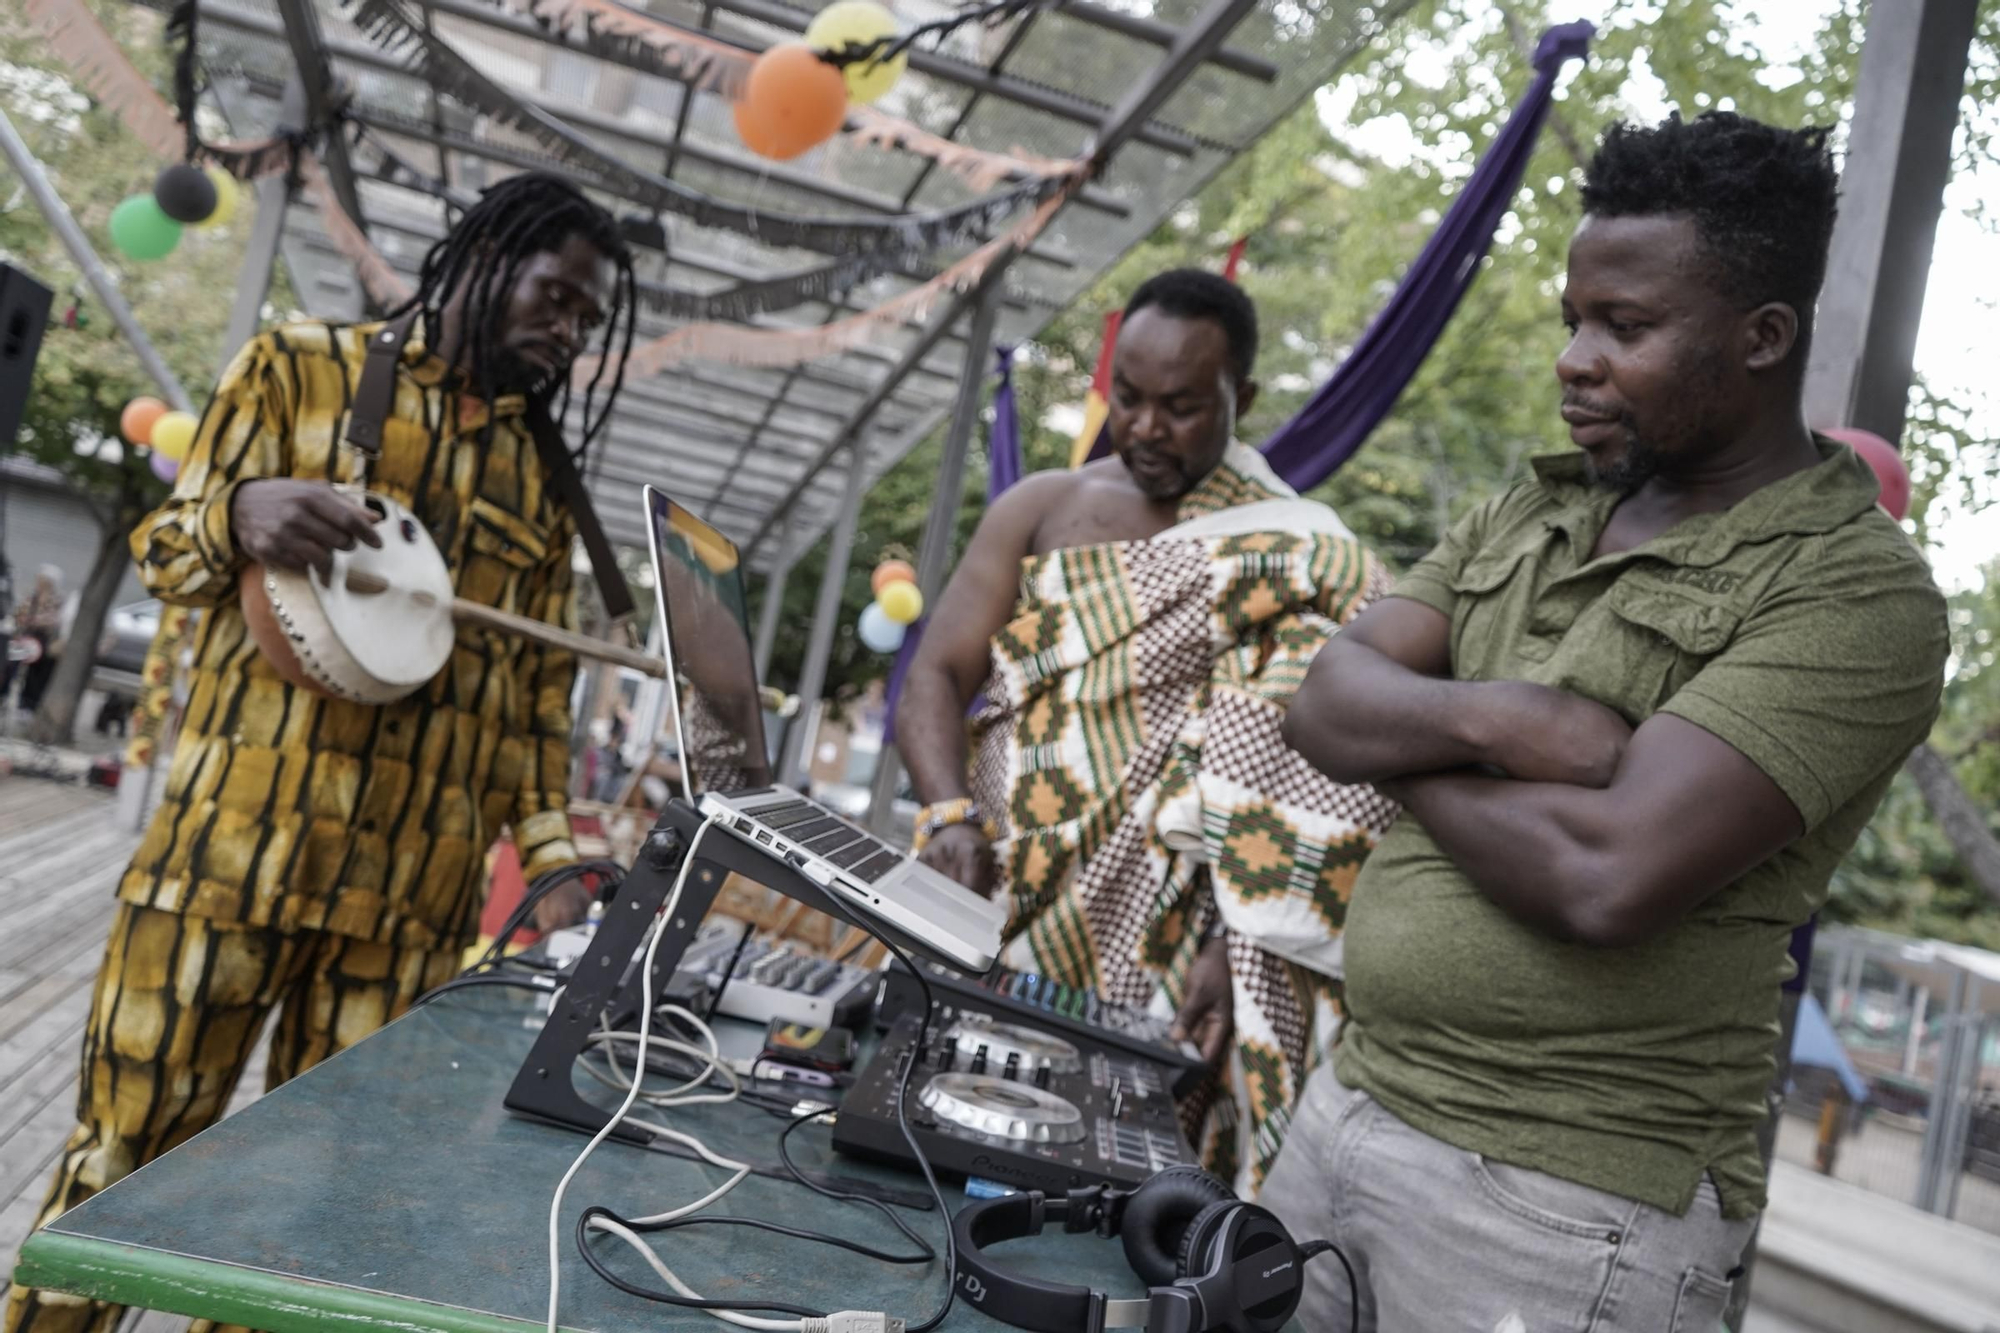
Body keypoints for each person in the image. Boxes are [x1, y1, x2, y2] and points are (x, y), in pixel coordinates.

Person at [1258, 112, 1950, 1331]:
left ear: (1762, 338)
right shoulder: (1530, 509)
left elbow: (1602, 874)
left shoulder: (1852, 592)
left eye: (1623, 328)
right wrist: (1506, 718)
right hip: (1346, 1103)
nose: (1575, 359)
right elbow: (1320, 698)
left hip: (1561, 1206)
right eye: (1573, 319)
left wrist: (1401, 746)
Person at [4, 172, 639, 1333]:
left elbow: (531, 702)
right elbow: (166, 553)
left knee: (312, 1228)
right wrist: (236, 512)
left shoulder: (546, 485)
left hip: (407, 914)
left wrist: (553, 855)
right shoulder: (297, 367)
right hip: (225, 866)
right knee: (118, 1175)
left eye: (588, 319)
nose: (568, 330)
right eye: (556, 295)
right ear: (486, 260)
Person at [896, 269, 1398, 1193]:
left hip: (1171, 964)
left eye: (1181, 406)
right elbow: (934, 672)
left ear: (1240, 401)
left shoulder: (1301, 553)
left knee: (1100, 1210)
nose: (1145, 429)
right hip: (995, 918)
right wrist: (947, 814)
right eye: (1127, 397)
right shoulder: (1040, 508)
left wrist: (1234, 944)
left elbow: (1326, 786)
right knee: (928, 1166)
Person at [13, 564, 64, 711]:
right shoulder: (31, 596)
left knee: (38, 673)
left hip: (43, 642)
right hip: (24, 638)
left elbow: (54, 620)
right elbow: (20, 614)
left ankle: (30, 703)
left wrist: (35, 620)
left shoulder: (57, 599)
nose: (39, 582)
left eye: (43, 580)